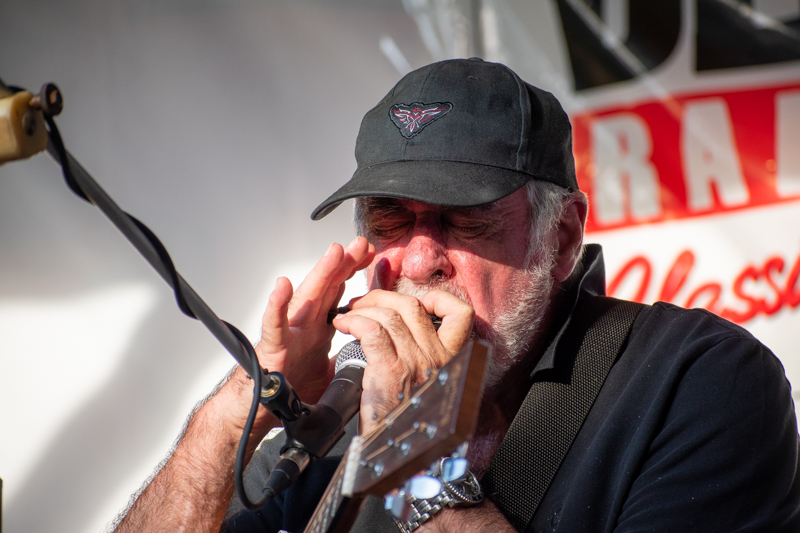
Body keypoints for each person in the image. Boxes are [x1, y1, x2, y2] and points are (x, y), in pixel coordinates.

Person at [113, 59, 800, 533]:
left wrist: (414, 460)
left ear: (560, 238)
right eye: (389, 219)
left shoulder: (697, 379)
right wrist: (238, 411)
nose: (418, 260)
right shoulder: (341, 406)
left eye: (464, 220)